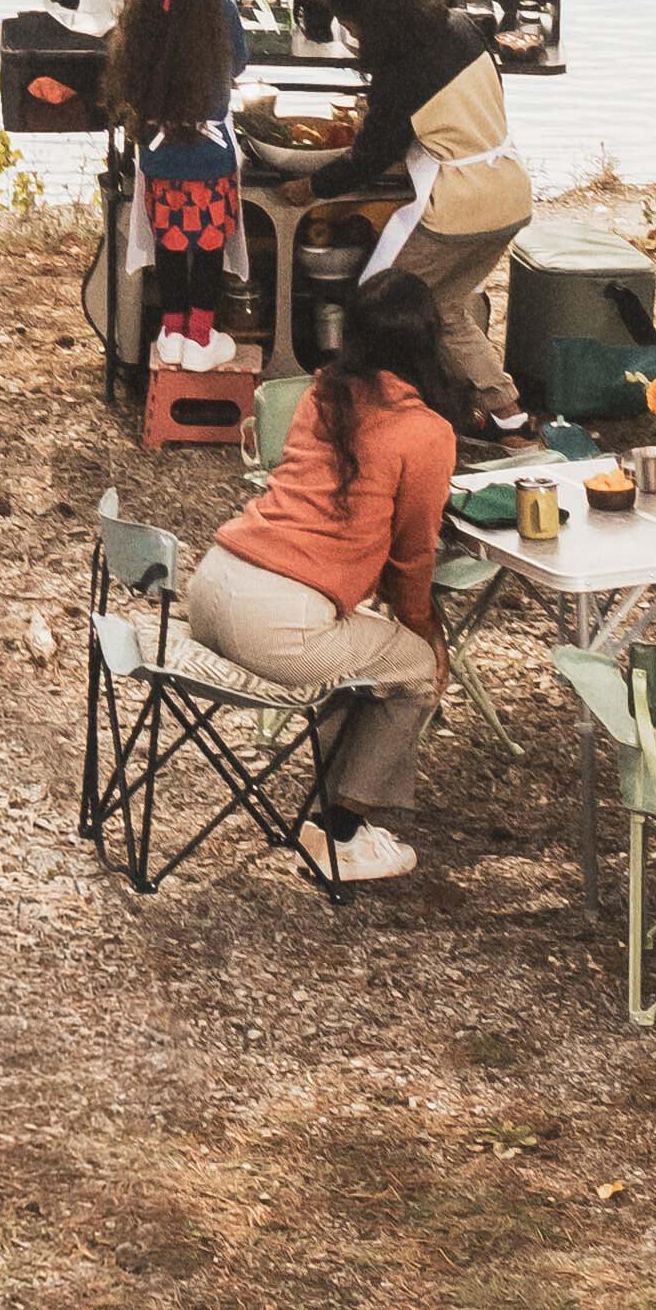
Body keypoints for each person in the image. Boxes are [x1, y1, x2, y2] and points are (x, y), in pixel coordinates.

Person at [168, 263, 471, 885]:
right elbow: (412, 557)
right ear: (427, 340)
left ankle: (329, 812)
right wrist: (429, 632)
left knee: (366, 663)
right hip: (277, 623)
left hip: (213, 584)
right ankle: (339, 832)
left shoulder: (322, 394)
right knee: (416, 668)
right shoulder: (426, 431)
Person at [319, 0, 536, 411]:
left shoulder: (401, 67)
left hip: (461, 208)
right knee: (446, 309)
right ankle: (506, 415)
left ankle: (368, 408)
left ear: (368, 16)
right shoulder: (460, 25)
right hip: (511, 193)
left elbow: (367, 160)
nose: (352, 35)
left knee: (377, 304)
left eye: (351, 25)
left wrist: (310, 186)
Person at [107, 0, 255, 449]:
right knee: (209, 244)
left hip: (159, 154)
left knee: (170, 241)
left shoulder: (144, 8)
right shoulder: (222, 11)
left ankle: (171, 332)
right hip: (211, 156)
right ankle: (201, 335)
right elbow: (239, 63)